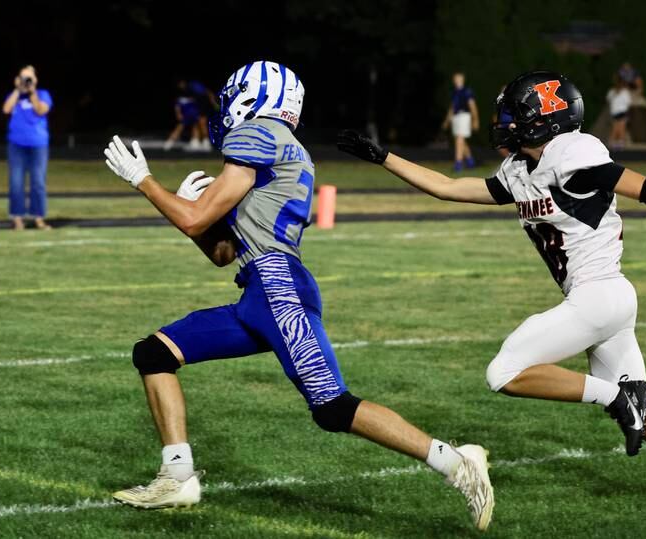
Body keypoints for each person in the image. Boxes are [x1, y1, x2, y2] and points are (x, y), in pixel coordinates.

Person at [103, 60, 494, 530]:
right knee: (154, 354)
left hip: (277, 287)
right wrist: (190, 211)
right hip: (259, 289)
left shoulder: (257, 133)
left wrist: (144, 182)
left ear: (255, 97)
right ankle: (177, 476)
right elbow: (222, 251)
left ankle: (456, 462)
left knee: (332, 407)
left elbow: (194, 219)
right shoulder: (281, 143)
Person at [338, 71, 646, 475]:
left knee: (503, 372)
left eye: (515, 115)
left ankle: (614, 396)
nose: (505, 123)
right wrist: (383, 157)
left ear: (547, 119)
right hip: (607, 302)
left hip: (598, 297)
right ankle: (622, 399)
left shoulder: (571, 154)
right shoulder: (520, 170)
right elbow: (448, 187)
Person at [2, 64, 52, 231]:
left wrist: (32, 92)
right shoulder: (14, 95)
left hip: (38, 144)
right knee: (16, 182)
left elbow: (40, 110)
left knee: (38, 182)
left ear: (35, 79)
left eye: (29, 77)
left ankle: (38, 218)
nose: (26, 81)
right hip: (16, 145)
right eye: (23, 77)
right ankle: (17, 219)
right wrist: (18, 90)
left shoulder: (43, 94)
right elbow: (6, 109)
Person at [441, 72, 479, 171]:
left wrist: (475, 120)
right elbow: (453, 107)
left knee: (459, 138)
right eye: (455, 78)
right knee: (460, 140)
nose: (456, 80)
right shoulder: (454, 92)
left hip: (464, 116)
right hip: (456, 117)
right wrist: (447, 120)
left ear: (462, 80)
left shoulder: (466, 91)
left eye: (458, 78)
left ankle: (458, 163)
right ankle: (470, 161)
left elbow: (472, 106)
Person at [164, 80, 201, 151]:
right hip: (185, 114)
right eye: (180, 84)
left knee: (195, 127)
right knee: (179, 127)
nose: (182, 85)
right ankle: (169, 143)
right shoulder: (179, 94)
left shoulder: (192, 91)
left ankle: (195, 142)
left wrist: (197, 113)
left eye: (183, 84)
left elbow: (196, 104)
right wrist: (178, 114)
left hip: (193, 113)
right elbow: (177, 106)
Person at [606, 77, 631, 151]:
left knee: (620, 129)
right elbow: (608, 100)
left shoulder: (624, 92)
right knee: (616, 129)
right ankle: (613, 145)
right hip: (615, 112)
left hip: (622, 112)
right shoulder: (612, 92)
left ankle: (619, 145)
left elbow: (628, 102)